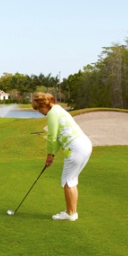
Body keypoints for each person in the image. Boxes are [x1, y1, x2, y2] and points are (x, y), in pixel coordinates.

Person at [32, 92, 92, 221]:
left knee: (68, 181)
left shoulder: (52, 113)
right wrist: (52, 155)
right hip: (84, 145)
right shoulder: (58, 109)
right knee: (71, 180)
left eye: (38, 108)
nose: (39, 112)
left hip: (75, 147)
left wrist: (48, 156)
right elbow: (59, 139)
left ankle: (70, 214)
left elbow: (52, 137)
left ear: (43, 105)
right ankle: (72, 212)